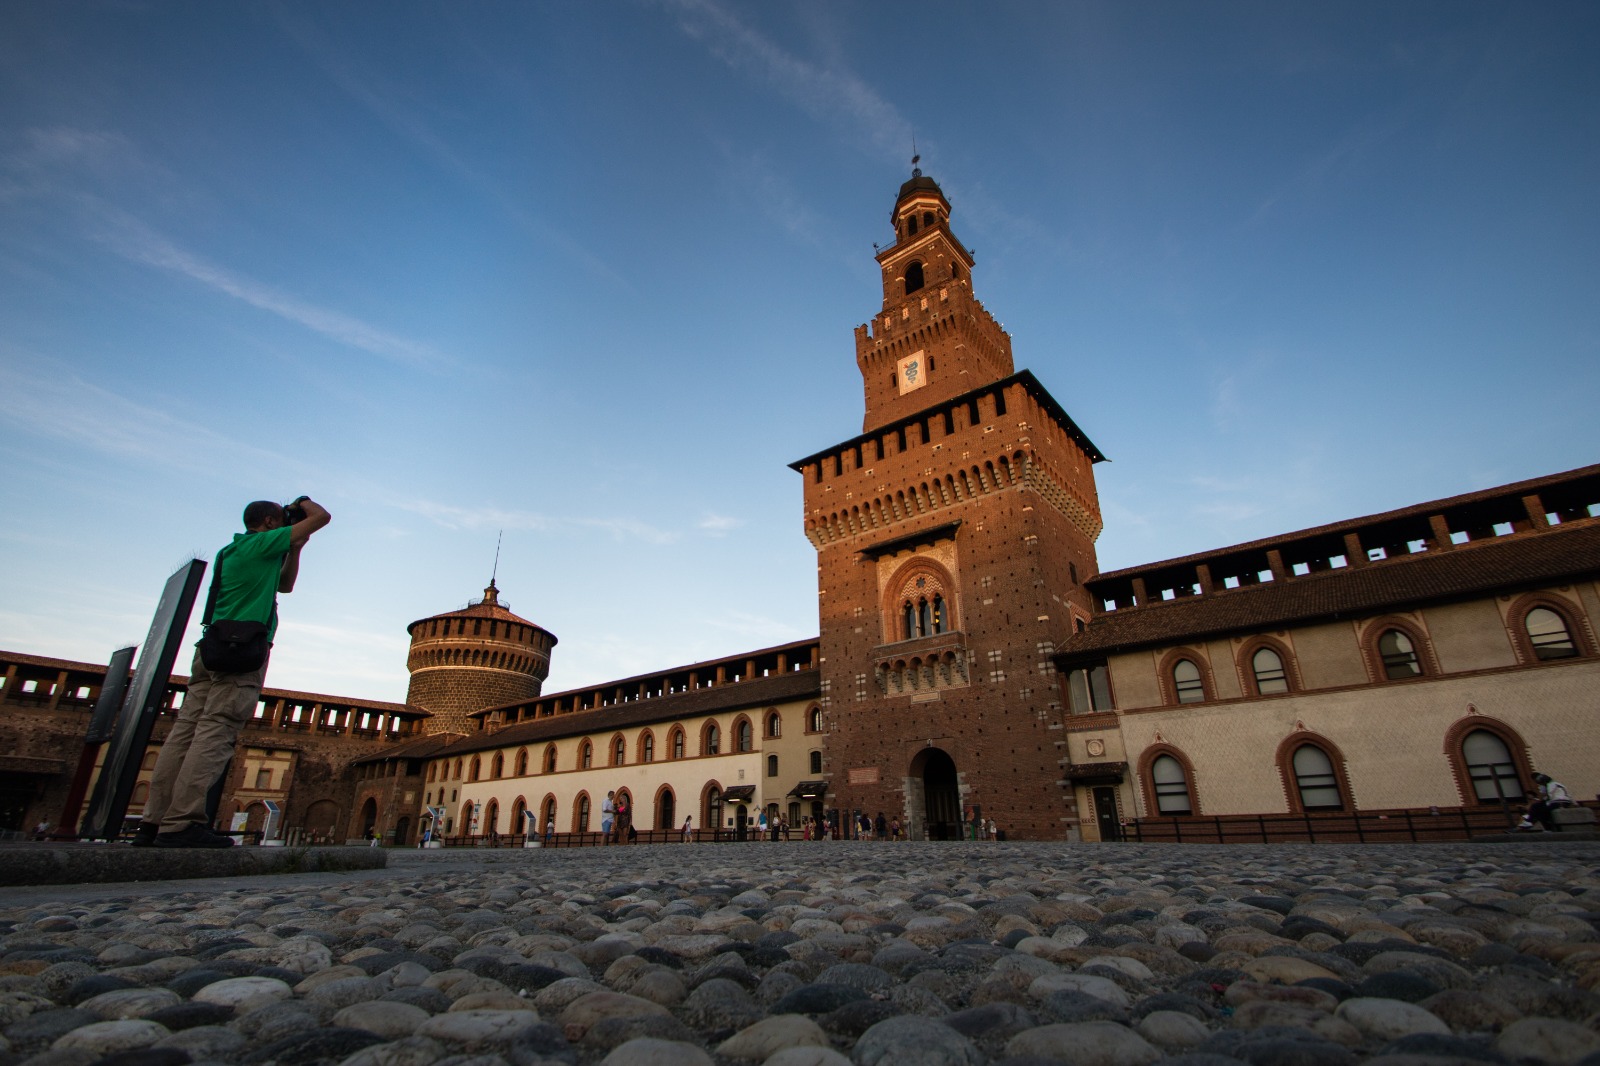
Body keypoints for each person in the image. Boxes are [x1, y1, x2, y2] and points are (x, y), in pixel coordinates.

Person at [135, 496, 330, 848]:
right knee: (216, 730)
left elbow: (284, 586)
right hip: (243, 651)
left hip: (211, 648)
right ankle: (182, 823)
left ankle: (154, 822)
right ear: (271, 522)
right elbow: (322, 517)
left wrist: (296, 547)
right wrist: (302, 504)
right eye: (282, 520)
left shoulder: (231, 551)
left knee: (185, 731)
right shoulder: (263, 541)